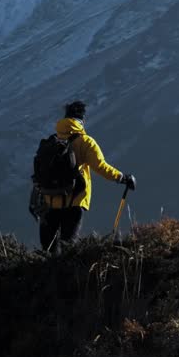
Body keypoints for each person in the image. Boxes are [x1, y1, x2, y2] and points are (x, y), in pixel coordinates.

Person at [38, 100, 137, 252]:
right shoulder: (85, 142)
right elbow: (101, 167)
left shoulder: (52, 140)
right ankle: (68, 275)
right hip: (75, 200)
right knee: (69, 248)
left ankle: (45, 275)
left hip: (49, 202)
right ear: (82, 120)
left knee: (48, 250)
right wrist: (123, 178)